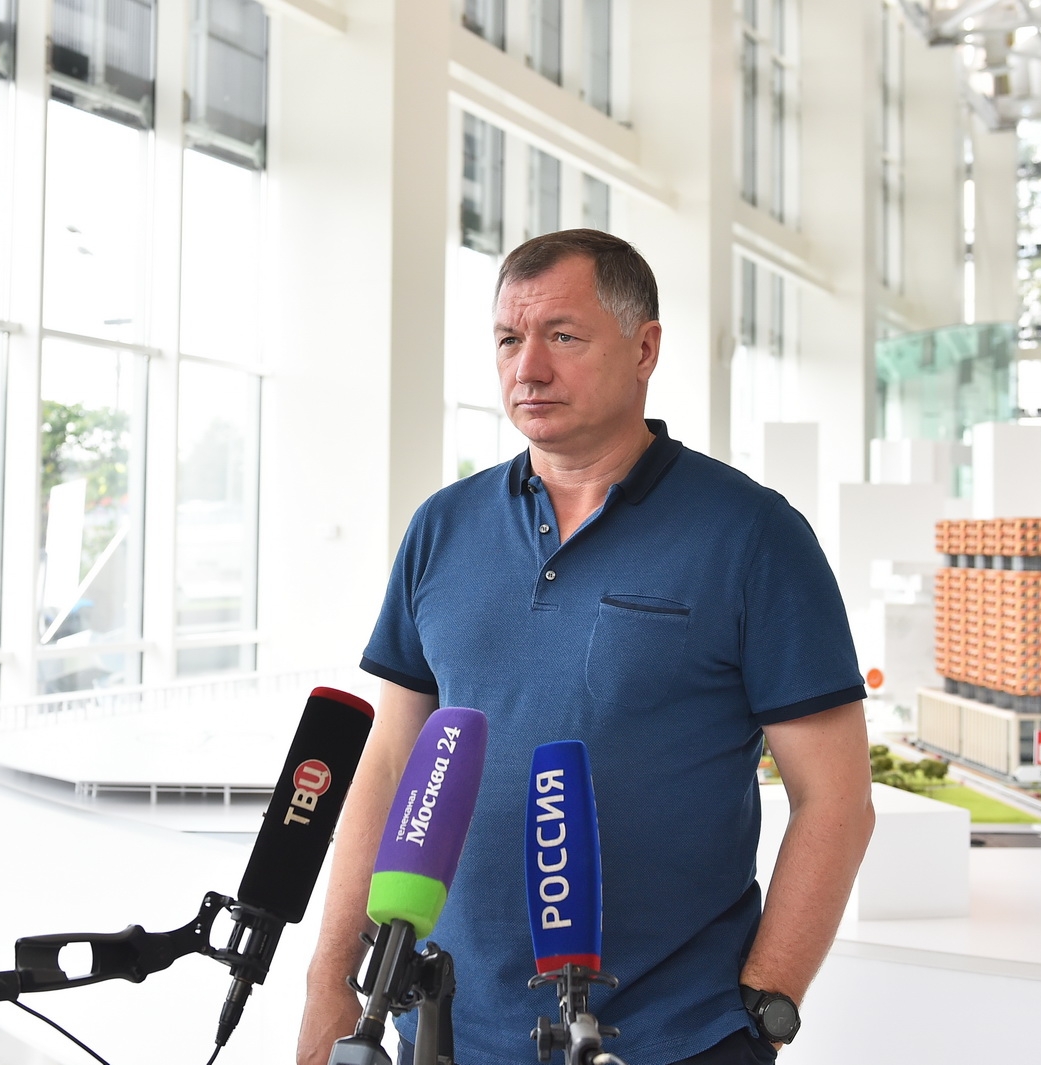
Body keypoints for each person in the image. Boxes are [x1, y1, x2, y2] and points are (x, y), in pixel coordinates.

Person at [298, 230, 874, 1065]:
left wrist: (766, 1005)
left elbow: (837, 799)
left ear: (645, 349)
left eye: (562, 336)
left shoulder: (754, 536)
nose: (528, 368)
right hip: (441, 1028)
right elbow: (389, 765)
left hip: (673, 1039)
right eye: (508, 339)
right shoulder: (443, 527)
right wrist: (329, 980)